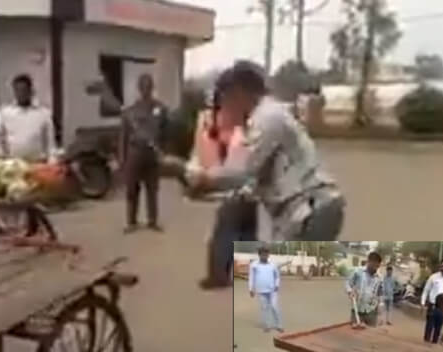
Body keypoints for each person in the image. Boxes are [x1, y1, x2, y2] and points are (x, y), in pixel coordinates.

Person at [185, 61, 345, 240]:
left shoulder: (267, 117)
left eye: (225, 103)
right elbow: (245, 185)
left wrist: (203, 179)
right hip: (304, 210)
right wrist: (206, 189)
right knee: (279, 265)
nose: (224, 111)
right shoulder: (262, 119)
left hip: (311, 206)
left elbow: (240, 171)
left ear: (238, 94)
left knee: (284, 267)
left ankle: (373, 267)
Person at [191, 74, 257, 289]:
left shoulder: (228, 121)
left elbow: (223, 157)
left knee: (225, 230)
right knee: (247, 229)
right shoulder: (249, 119)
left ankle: (218, 275)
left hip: (238, 185)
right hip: (252, 186)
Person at [120, 73, 168, 233]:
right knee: (132, 189)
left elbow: (166, 132)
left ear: (152, 88)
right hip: (135, 153)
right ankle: (131, 221)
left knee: (152, 189)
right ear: (139, 88)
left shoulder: (160, 109)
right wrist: (122, 159)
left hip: (152, 154)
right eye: (143, 86)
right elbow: (123, 137)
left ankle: (152, 221)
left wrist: (164, 151)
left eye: (149, 86)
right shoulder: (130, 112)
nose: (146, 89)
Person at [0, 74, 57, 163]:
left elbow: (50, 140)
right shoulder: (5, 112)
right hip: (13, 162)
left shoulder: (43, 113)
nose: (21, 93)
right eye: (17, 90)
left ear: (31, 91)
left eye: (24, 90)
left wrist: (52, 160)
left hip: (38, 162)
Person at [420, 260, 443, 344]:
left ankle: (434, 343)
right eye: (442, 266)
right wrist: (422, 303)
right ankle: (426, 343)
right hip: (433, 304)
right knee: (429, 325)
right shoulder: (433, 277)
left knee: (439, 326)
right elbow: (426, 290)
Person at [248, 245, 282, 333]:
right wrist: (251, 289)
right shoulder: (254, 265)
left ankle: (279, 325)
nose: (265, 256)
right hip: (261, 291)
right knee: (264, 308)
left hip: (272, 290)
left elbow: (277, 277)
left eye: (266, 254)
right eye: (263, 254)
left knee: (274, 307)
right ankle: (267, 326)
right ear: (259, 255)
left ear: (268, 255)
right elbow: (251, 277)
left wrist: (277, 285)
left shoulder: (273, 265)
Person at [345, 251, 383, 327]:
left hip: (371, 312)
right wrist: (350, 292)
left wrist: (380, 306)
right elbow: (348, 283)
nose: (376, 268)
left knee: (370, 336)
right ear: (369, 262)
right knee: (355, 334)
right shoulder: (358, 271)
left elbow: (380, 293)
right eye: (374, 265)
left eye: (378, 266)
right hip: (357, 310)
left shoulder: (380, 277)